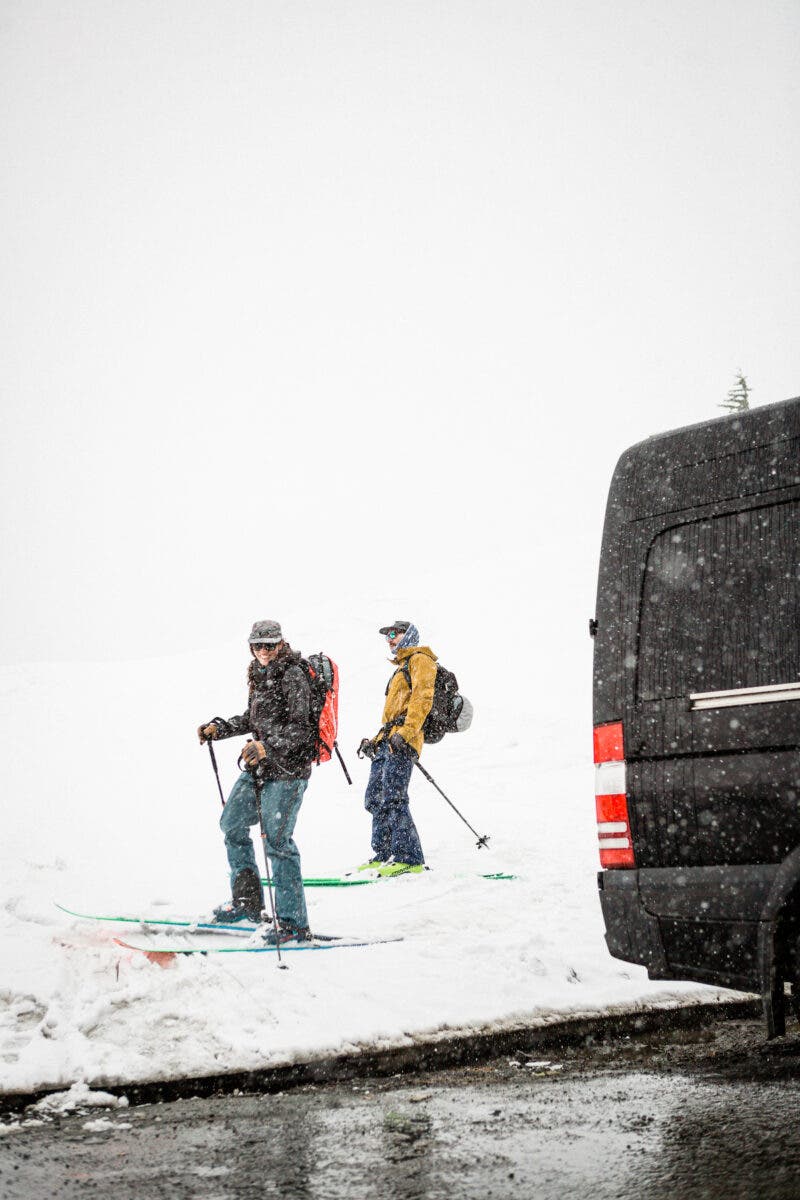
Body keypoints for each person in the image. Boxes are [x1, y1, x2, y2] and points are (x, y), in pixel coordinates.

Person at [197, 620, 315, 944]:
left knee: (277, 843)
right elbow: (254, 719)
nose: (263, 651)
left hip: (289, 772)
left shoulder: (293, 675)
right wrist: (220, 728)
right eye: (258, 645)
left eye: (269, 645)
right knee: (232, 824)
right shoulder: (258, 675)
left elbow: (302, 729)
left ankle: (293, 925)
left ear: (280, 644)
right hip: (261, 768)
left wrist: (268, 745)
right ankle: (248, 902)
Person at [357, 620, 437, 877]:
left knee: (394, 796)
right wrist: (375, 740)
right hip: (388, 739)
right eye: (387, 636)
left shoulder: (420, 659)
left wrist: (406, 733)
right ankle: (384, 855)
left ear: (409, 634)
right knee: (375, 798)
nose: (390, 639)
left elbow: (422, 699)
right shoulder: (401, 666)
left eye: (394, 633)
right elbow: (393, 715)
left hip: (403, 740)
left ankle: (409, 858)